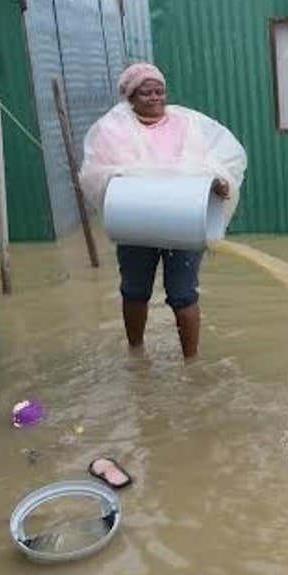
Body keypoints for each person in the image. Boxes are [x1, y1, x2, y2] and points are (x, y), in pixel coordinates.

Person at [80, 62, 247, 359]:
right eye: (146, 93)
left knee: (183, 295)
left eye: (160, 91)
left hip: (185, 217)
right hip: (136, 219)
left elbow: (211, 162)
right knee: (134, 291)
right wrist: (120, 180)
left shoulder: (187, 123)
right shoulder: (113, 129)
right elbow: (96, 173)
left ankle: (191, 363)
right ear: (131, 97)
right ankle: (136, 354)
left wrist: (218, 183)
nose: (155, 97)